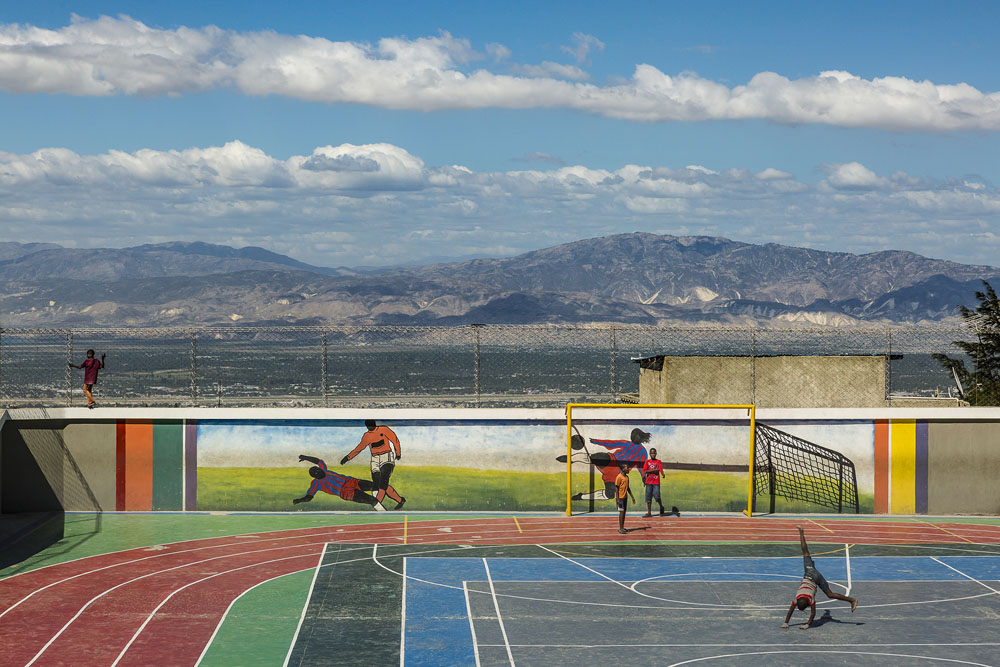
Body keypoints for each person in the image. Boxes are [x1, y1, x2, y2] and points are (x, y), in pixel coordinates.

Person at [781, 526, 858, 629]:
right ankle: (801, 532)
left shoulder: (809, 599)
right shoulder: (798, 597)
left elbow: (811, 613)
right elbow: (809, 612)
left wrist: (793, 624)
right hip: (810, 572)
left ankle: (852, 600)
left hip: (814, 577)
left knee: (830, 594)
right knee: (805, 552)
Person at [564, 428, 651, 502]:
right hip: (611, 460)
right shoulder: (627, 443)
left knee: (610, 494)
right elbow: (611, 443)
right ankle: (572, 459)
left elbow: (642, 466)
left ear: (640, 438)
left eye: (634, 436)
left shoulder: (642, 452)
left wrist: (644, 477)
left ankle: (582, 497)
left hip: (617, 473)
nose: (632, 437)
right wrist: (596, 441)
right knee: (598, 457)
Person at [341, 419, 406, 510]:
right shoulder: (366, 436)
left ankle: (377, 506)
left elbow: (394, 440)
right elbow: (359, 448)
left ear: (375, 425)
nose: (370, 427)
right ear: (367, 427)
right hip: (375, 459)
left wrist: (398, 453)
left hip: (386, 456)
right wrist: (348, 457)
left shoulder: (383, 429)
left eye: (372, 425)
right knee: (377, 484)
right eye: (369, 426)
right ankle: (400, 500)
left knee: (383, 481)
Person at [292, 455, 386, 511]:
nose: (319, 472)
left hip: (350, 481)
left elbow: (318, 461)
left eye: (318, 470)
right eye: (316, 473)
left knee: (374, 486)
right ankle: (383, 512)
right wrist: (299, 500)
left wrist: (305, 457)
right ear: (314, 477)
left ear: (319, 468)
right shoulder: (316, 484)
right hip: (345, 492)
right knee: (372, 500)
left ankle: (377, 500)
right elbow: (309, 497)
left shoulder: (324, 469)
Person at [641, 447, 680, 518]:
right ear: (650, 454)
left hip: (656, 482)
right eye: (651, 453)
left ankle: (661, 506)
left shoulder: (658, 461)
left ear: (656, 454)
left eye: (654, 453)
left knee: (657, 496)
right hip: (648, 482)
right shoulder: (647, 462)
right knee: (648, 497)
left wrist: (662, 473)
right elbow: (645, 471)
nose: (653, 454)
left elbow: (660, 469)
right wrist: (655, 470)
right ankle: (649, 512)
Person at [615, 463, 636, 534]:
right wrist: (617, 499)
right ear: (623, 469)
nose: (629, 469)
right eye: (627, 468)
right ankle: (620, 528)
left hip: (625, 497)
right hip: (620, 498)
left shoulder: (627, 477)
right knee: (621, 512)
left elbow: (628, 488)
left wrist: (632, 497)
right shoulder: (619, 477)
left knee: (624, 513)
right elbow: (616, 488)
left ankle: (622, 527)